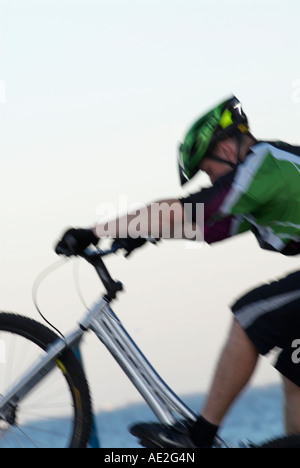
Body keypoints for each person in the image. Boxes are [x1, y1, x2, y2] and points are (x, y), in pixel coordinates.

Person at [55, 96, 300, 448]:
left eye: (207, 169)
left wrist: (94, 231)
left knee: (249, 315)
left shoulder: (262, 166)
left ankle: (197, 438)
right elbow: (208, 226)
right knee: (294, 372)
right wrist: (143, 231)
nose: (209, 179)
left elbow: (188, 211)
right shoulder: (264, 177)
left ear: (227, 149)